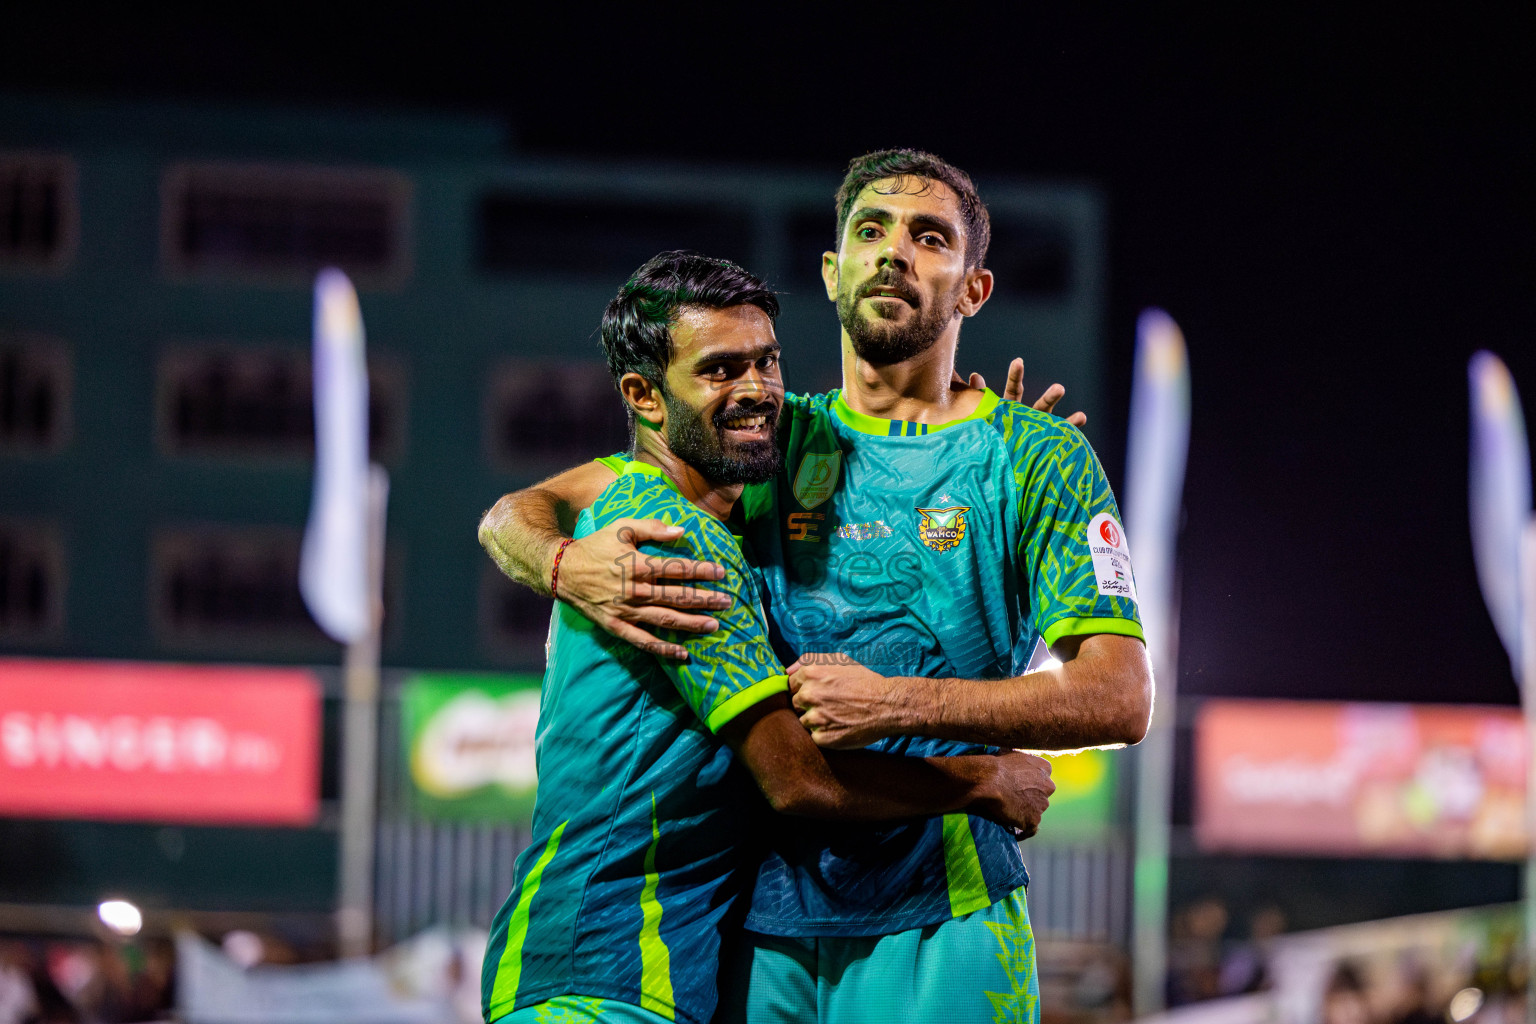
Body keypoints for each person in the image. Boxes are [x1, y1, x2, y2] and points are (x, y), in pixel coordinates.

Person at [480, 149, 1153, 1023]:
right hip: (764, 930)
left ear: (974, 290)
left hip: (947, 914)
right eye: (869, 231)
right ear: (833, 275)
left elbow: (1121, 697)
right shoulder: (760, 434)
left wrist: (901, 704)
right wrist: (562, 565)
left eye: (929, 237)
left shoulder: (1035, 455)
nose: (894, 252)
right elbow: (519, 508)